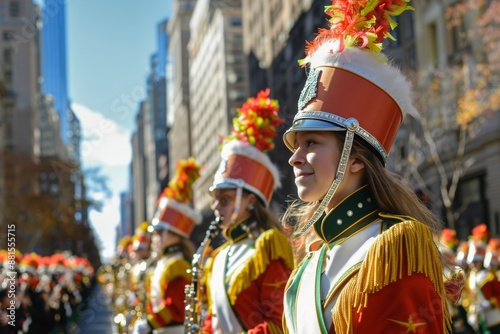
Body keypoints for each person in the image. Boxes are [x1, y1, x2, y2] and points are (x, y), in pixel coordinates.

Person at [281, 1, 453, 333]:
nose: (295, 157)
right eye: (295, 144)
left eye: (312, 143)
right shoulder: (310, 261)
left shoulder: (395, 247)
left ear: (357, 158)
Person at [201, 89, 294, 333]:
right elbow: (213, 321)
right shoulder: (217, 257)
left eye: (226, 199)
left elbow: (279, 322)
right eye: (216, 200)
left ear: (250, 201)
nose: (217, 207)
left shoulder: (268, 246)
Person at [133, 158, 202, 334]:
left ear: (176, 235)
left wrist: (149, 324)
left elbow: (174, 305)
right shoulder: (165, 263)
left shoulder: (178, 265)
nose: (155, 237)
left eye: (160, 232)